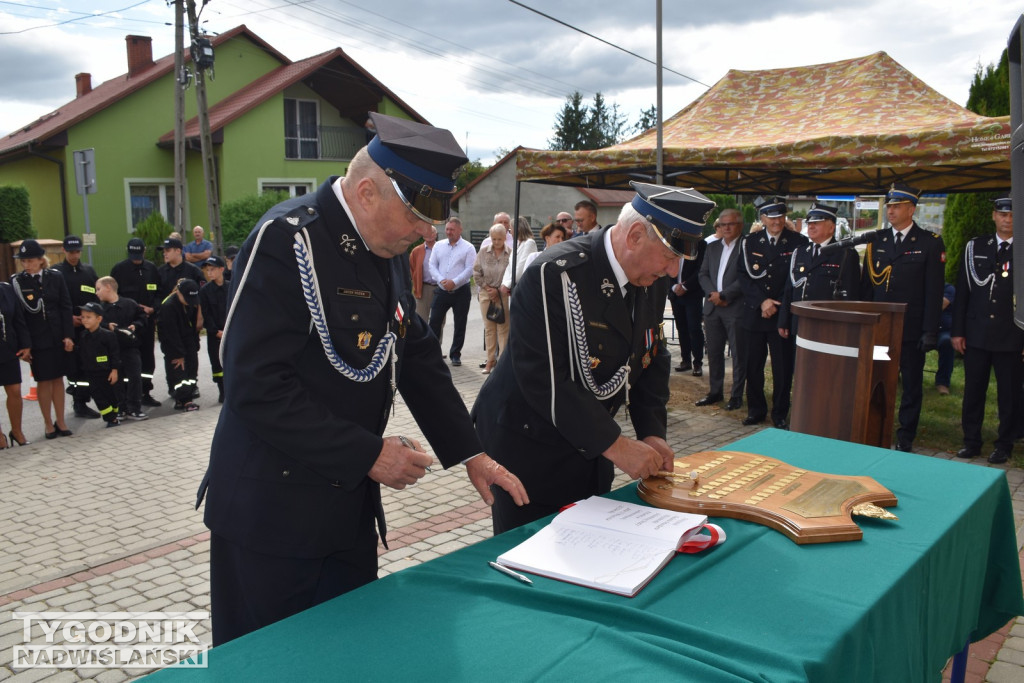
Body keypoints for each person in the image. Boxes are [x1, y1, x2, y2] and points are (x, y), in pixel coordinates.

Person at [195, 112, 527, 646]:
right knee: (272, 665)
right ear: (368, 192)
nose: (426, 234)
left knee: (347, 657)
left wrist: (473, 454)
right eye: (417, 217)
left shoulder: (386, 247)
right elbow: (255, 383)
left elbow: (415, 350)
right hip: (271, 520)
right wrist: (368, 454)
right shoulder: (288, 240)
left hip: (345, 511)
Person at [472, 181, 716, 533]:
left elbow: (651, 357)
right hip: (527, 447)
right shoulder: (554, 274)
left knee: (592, 548)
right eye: (670, 255)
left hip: (592, 443)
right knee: (531, 556)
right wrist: (617, 446)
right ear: (634, 236)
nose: (674, 270)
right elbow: (544, 379)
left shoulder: (652, 277)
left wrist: (651, 434)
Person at [859, 183, 946, 452]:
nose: (891, 211)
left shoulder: (929, 243)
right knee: (878, 380)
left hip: (909, 332)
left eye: (897, 206)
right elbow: (866, 289)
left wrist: (930, 330)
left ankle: (906, 434)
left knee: (910, 384)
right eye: (889, 206)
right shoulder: (877, 240)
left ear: (911, 209)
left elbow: (934, 291)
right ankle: (876, 427)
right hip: (880, 330)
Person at [952, 194, 1022, 464]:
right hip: (977, 333)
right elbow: (963, 293)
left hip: (1011, 336)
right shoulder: (976, 246)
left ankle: (1004, 444)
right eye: (1003, 214)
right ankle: (971, 441)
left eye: (1014, 215)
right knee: (973, 391)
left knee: (1009, 394)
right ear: (994, 215)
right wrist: (958, 331)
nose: (1008, 219)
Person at [738, 197, 808, 429]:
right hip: (755, 314)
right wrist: (762, 302)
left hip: (781, 314)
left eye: (780, 216)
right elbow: (744, 277)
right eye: (771, 216)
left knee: (782, 368)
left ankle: (779, 413)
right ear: (763, 218)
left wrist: (776, 304)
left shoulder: (798, 241)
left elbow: (795, 279)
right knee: (752, 366)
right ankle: (756, 410)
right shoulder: (750, 242)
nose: (776, 221)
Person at [11, 239, 74, 439]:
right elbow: (19, 317)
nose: (26, 264)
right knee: (43, 381)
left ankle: (61, 421)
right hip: (37, 340)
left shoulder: (55, 277)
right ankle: (48, 423)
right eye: (23, 261)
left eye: (30, 260)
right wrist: (25, 344)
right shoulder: (18, 282)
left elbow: (65, 306)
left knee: (58, 379)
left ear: (40, 260)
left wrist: (68, 335)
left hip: (57, 336)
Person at [777, 202, 860, 337]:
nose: (811, 226)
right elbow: (789, 289)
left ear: (831, 227)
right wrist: (783, 320)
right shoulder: (800, 252)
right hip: (800, 322)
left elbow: (851, 295)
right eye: (809, 223)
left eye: (817, 223)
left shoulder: (845, 254)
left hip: (828, 326)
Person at [696, 208, 746, 410]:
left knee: (738, 355)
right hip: (712, 308)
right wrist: (714, 295)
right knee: (714, 353)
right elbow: (703, 274)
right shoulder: (712, 247)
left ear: (740, 225)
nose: (726, 227)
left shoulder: (746, 246)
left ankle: (736, 396)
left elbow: (746, 277)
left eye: (731, 223)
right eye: (723, 224)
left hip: (734, 308)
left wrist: (725, 295)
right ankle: (715, 392)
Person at [110, 237, 163, 408]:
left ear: (144, 251)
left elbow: (159, 294)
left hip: (146, 322)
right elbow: (114, 296)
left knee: (147, 359)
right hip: (127, 324)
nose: (136, 258)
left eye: (139, 254)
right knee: (127, 361)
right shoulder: (119, 270)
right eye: (133, 255)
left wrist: (152, 309)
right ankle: (126, 396)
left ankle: (145, 392)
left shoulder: (151, 269)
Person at [53, 235, 101, 419]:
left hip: (88, 327)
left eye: (77, 251)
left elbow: (95, 297)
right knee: (74, 367)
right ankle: (79, 403)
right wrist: (68, 319)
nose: (74, 255)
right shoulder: (56, 273)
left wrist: (92, 318)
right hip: (69, 328)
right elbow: (53, 302)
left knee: (89, 363)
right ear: (64, 250)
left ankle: (87, 399)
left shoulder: (88, 271)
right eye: (71, 251)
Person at [96, 276, 147, 420]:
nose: (96, 293)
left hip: (130, 348)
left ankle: (134, 408)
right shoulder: (100, 309)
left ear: (108, 287)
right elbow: (96, 325)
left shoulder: (129, 304)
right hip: (112, 351)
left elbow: (142, 317)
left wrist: (135, 325)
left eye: (98, 289)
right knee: (116, 381)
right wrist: (107, 326)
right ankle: (120, 408)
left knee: (135, 377)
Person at [427, 216, 476, 367]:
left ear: (460, 230)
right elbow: (432, 265)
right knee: (434, 322)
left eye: (452, 229)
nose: (449, 232)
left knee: (460, 324)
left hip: (461, 291)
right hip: (441, 290)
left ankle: (455, 354)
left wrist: (454, 282)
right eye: (447, 229)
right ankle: (432, 353)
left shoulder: (468, 247)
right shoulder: (439, 246)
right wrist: (442, 280)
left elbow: (470, 269)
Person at [76, 302, 121, 428]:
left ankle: (115, 415)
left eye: (88, 317)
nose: (84, 320)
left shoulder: (108, 335)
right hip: (91, 373)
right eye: (83, 317)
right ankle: (110, 419)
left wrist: (114, 370)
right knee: (98, 397)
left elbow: (115, 354)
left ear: (99, 319)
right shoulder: (83, 335)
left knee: (111, 396)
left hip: (106, 372)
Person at [159, 278, 201, 412]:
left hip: (188, 340)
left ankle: (187, 396)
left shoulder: (189, 302)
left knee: (191, 369)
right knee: (178, 372)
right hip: (173, 345)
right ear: (179, 293)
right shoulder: (168, 306)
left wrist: (195, 345)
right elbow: (170, 334)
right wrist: (179, 354)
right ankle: (184, 400)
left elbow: (193, 324)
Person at [474, 224, 511, 374]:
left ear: (505, 238)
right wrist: (488, 288)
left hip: (503, 294)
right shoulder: (483, 252)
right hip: (486, 292)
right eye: (493, 239)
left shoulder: (510, 253)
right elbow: (476, 272)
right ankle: (490, 360)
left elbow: (511, 274)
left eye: (499, 239)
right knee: (489, 328)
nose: (496, 242)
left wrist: (500, 289)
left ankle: (502, 362)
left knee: (503, 328)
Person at [0, 279, 32, 447]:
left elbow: (19, 319)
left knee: (14, 390)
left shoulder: (6, 289)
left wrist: (25, 344)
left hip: (7, 347)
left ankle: (17, 432)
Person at [668, 237, 705, 376]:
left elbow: (700, 269)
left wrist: (685, 286)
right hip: (675, 294)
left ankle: (697, 363)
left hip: (692, 293)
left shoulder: (700, 244)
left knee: (694, 329)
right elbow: (667, 264)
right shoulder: (673, 242)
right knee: (681, 328)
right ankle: (686, 360)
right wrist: (674, 286)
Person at [503, 221, 567, 293]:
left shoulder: (565, 259)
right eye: (557, 237)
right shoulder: (534, 257)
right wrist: (506, 284)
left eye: (563, 238)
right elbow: (527, 279)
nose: (561, 240)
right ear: (547, 238)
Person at [199, 256, 228, 404]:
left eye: (212, 269)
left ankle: (232, 389)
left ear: (221, 269)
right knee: (217, 363)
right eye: (207, 270)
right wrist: (215, 331)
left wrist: (229, 330)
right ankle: (222, 391)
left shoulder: (230, 286)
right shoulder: (205, 291)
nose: (209, 273)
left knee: (231, 361)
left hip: (230, 332)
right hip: (215, 334)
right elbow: (206, 314)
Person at [409, 225, 441, 326]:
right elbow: (411, 269)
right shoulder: (416, 251)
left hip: (440, 288)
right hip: (423, 288)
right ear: (423, 235)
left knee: (438, 320)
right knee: (421, 320)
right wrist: (416, 284)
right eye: (426, 232)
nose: (429, 234)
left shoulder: (442, 249)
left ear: (436, 234)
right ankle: (422, 342)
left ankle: (437, 342)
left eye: (431, 232)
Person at [499, 217, 537, 291]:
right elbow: (510, 267)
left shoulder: (529, 243)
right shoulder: (517, 244)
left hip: (524, 287)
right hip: (514, 286)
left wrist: (508, 284)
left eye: (511, 230)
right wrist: (504, 283)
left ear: (518, 229)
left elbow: (521, 267)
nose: (510, 233)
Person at [934, 283, 955, 395]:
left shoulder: (948, 289)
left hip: (943, 331)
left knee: (947, 342)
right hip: (923, 330)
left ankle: (942, 382)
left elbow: (939, 306)